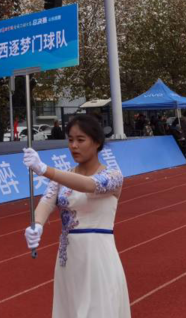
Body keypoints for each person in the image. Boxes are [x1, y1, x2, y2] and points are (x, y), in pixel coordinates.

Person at [21, 115, 130, 318]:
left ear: (97, 142)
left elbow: (88, 185)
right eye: (70, 140)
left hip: (97, 258)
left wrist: (44, 169)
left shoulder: (113, 176)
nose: (74, 146)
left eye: (80, 140)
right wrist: (37, 225)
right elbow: (46, 202)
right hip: (68, 259)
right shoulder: (62, 178)